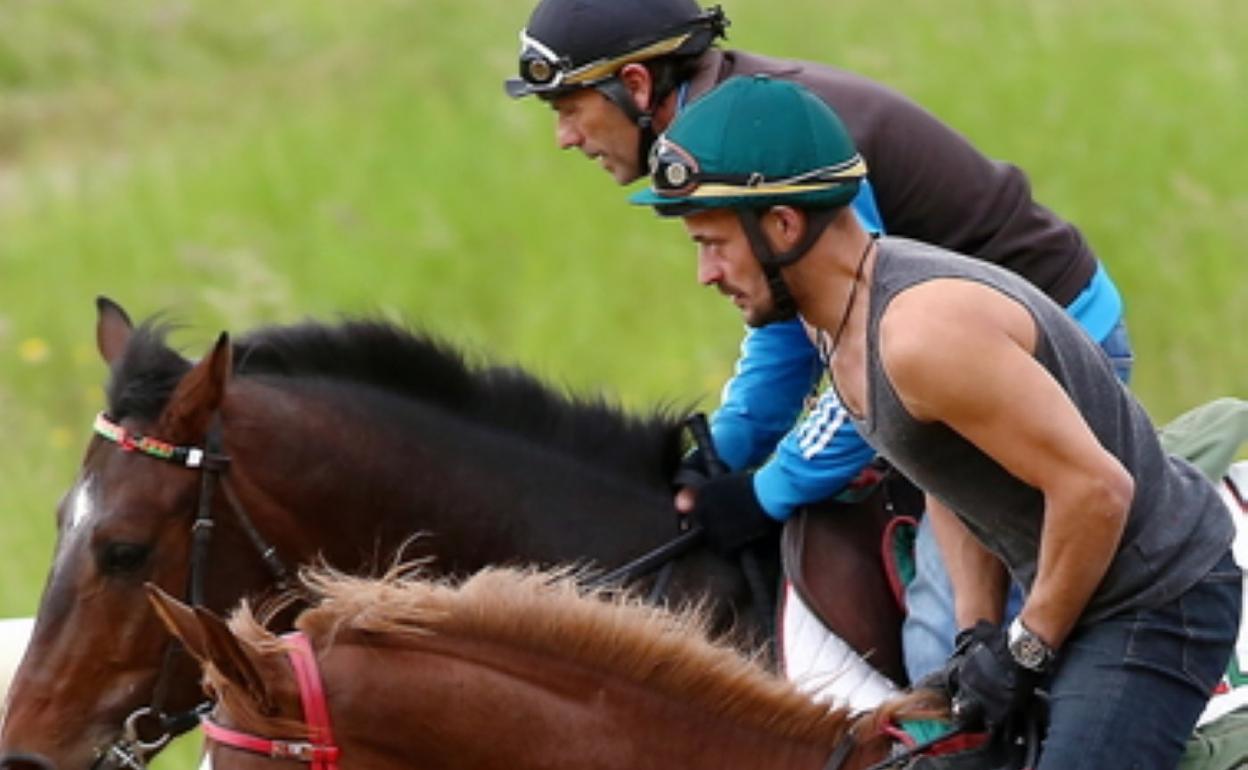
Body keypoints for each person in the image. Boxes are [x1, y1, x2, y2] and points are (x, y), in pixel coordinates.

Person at [504, 0, 1135, 683]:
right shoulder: (723, 121)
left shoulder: (744, 138)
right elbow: (793, 326)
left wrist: (767, 491)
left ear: (634, 85)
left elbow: (870, 360)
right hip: (939, 356)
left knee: (937, 656)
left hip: (1038, 358)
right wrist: (728, 447)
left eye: (566, 107)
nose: (565, 137)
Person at [630, 73, 1239, 770]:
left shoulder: (918, 337)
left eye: (713, 243)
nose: (707, 272)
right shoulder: (841, 324)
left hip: (1157, 598)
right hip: (1084, 588)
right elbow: (950, 472)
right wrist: (977, 632)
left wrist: (1025, 649)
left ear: (783, 225)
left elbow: (1096, 490)